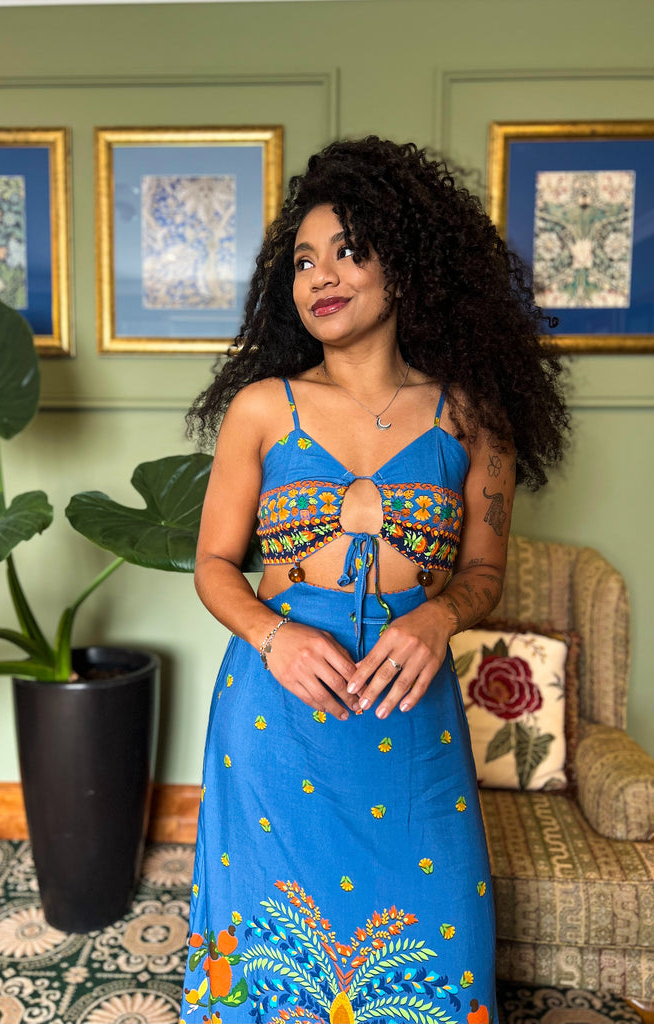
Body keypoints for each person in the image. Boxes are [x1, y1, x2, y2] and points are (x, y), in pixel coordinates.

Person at [179, 137, 569, 1024]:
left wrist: (438, 618)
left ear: (407, 266)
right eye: (302, 260)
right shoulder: (262, 409)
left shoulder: (473, 417)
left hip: (409, 708)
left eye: (348, 251)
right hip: (276, 707)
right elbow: (212, 566)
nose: (321, 275)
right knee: (266, 956)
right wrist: (275, 635)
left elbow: (484, 571)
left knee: (436, 936)